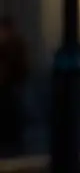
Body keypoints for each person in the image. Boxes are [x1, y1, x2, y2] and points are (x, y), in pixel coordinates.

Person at [0, 16, 29, 157]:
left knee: (11, 112)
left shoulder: (13, 45)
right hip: (10, 85)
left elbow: (19, 66)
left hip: (10, 85)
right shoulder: (13, 44)